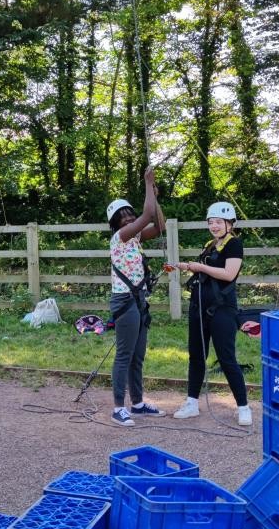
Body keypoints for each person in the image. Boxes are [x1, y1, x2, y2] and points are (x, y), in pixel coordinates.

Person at [174, 201, 252, 426]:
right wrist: (188, 267)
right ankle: (192, 403)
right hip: (199, 307)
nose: (214, 226)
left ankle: (243, 407)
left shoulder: (234, 244)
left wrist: (200, 267)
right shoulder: (210, 245)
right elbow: (205, 274)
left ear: (230, 224)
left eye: (219, 222)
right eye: (211, 222)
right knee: (196, 355)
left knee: (226, 358)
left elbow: (228, 274)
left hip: (222, 309)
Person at [107, 167, 167, 425]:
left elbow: (160, 225)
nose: (128, 218)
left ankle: (138, 403)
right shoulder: (120, 237)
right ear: (115, 223)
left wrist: (155, 197)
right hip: (125, 302)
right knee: (124, 355)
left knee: (137, 355)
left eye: (130, 214)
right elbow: (147, 215)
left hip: (139, 301)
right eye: (122, 217)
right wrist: (147, 184)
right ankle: (118, 407)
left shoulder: (136, 239)